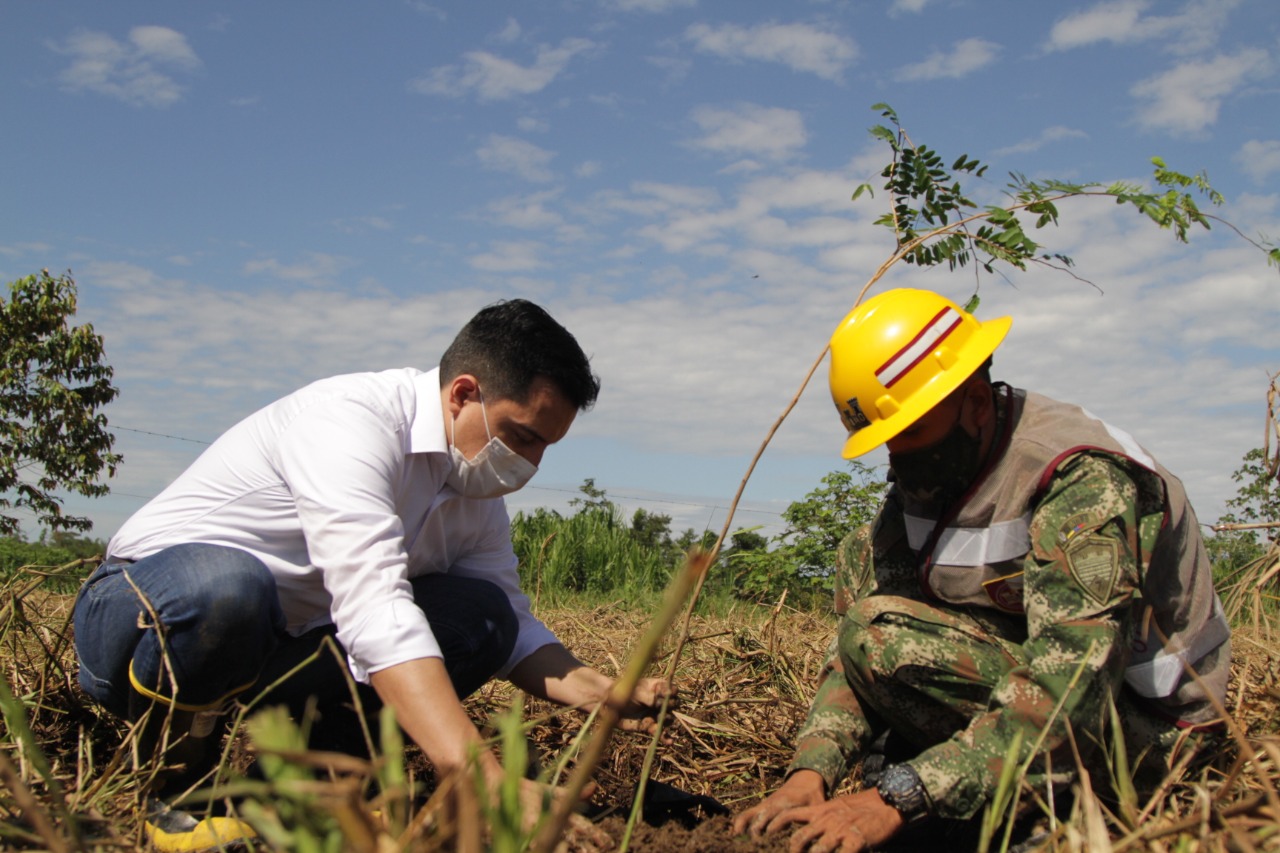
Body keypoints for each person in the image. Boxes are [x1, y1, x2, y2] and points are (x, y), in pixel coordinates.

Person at [74, 299, 670, 852]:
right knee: (229, 588)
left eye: (546, 447)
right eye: (522, 436)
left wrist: (601, 691)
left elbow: (511, 626)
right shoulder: (348, 424)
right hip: (143, 622)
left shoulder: (474, 494)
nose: (530, 464)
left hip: (275, 650)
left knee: (479, 614)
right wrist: (480, 773)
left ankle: (288, 791)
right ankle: (175, 785)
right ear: (463, 393)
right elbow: (373, 607)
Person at [734, 288, 1230, 852]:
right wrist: (811, 771)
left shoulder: (1078, 479)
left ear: (972, 399)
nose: (898, 455)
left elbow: (1072, 686)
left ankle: (1054, 813)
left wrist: (902, 795)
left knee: (891, 647)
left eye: (912, 430)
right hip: (1034, 695)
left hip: (1144, 734)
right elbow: (856, 650)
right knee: (870, 613)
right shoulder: (930, 481)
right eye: (886, 439)